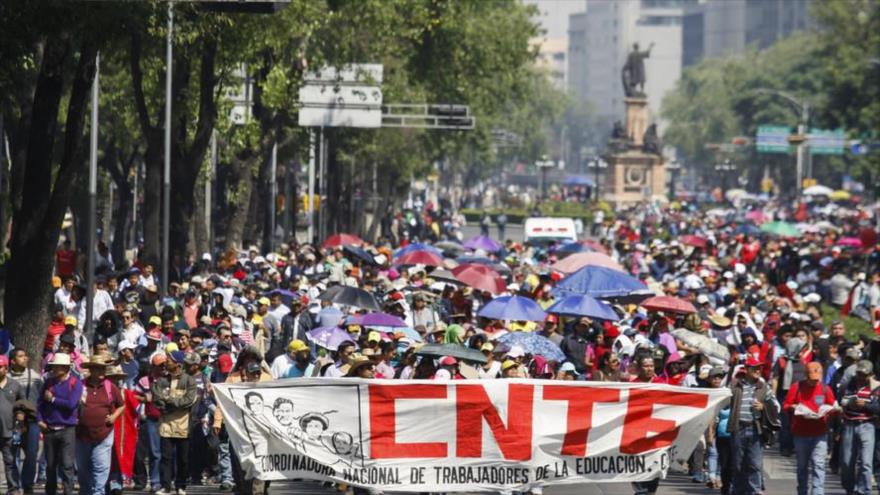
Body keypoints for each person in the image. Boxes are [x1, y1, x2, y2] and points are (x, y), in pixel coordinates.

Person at [727, 357, 779, 495]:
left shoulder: (764, 387)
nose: (757, 370)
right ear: (747, 369)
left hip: (756, 429)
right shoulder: (735, 385)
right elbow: (723, 398)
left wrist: (764, 407)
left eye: (759, 368)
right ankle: (738, 491)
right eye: (754, 368)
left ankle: (754, 491)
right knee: (738, 464)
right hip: (738, 428)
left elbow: (775, 407)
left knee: (755, 464)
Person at [782, 361, 834, 495]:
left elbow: (833, 406)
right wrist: (794, 407)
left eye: (816, 380)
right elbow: (786, 405)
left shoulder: (825, 389)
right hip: (801, 433)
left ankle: (817, 492)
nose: (814, 383)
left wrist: (829, 411)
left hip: (820, 433)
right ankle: (802, 491)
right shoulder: (796, 387)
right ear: (806, 376)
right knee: (802, 466)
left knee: (819, 465)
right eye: (811, 380)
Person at [76, 354, 124, 495]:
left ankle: (99, 492)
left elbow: (121, 405)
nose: (101, 372)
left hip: (104, 433)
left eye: (103, 369)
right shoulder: (81, 385)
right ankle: (85, 491)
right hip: (82, 434)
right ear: (91, 369)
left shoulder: (110, 387)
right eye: (98, 369)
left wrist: (114, 416)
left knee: (101, 467)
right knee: (83, 468)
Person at [37, 353, 83, 495]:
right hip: (50, 429)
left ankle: (67, 491)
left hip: (67, 429)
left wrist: (53, 400)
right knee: (50, 465)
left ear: (65, 368)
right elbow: (39, 403)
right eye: (54, 367)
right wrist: (39, 419)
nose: (55, 369)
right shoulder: (48, 382)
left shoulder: (75, 383)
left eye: (57, 367)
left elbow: (71, 405)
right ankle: (50, 492)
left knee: (67, 465)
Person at [151, 351, 197, 495]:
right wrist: (171, 405)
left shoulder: (189, 380)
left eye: (169, 360)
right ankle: (166, 486)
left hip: (184, 425)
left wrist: (170, 401)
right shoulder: (161, 380)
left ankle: (181, 485)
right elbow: (157, 399)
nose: (166, 362)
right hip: (166, 424)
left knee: (183, 458)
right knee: (166, 457)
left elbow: (189, 400)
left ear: (178, 363)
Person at [837, 359, 880, 495]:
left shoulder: (876, 388)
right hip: (849, 424)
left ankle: (864, 490)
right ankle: (849, 488)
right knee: (847, 461)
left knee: (866, 462)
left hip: (867, 425)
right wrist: (850, 403)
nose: (861, 377)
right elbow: (840, 401)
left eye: (864, 374)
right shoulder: (849, 384)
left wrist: (865, 405)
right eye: (859, 374)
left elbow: (878, 408)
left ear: (870, 375)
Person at [8, 348, 41, 494]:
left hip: (32, 422)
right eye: (21, 356)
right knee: (11, 456)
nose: (25, 358)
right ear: (13, 361)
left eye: (25, 356)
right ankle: (14, 486)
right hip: (11, 423)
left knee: (32, 454)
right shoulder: (6, 377)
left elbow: (40, 398)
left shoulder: (35, 377)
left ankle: (28, 486)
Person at [0, 354, 23, 495]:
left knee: (10, 462)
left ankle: (13, 488)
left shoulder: (15, 385)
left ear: (6, 368)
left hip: (8, 430)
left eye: (0, 367)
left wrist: (21, 414)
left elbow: (22, 404)